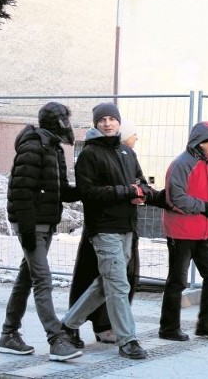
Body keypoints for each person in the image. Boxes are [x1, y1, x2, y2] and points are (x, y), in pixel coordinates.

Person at [61, 103, 154, 360]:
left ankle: (68, 325)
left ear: (119, 123)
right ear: (96, 124)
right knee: (118, 285)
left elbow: (141, 182)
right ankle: (128, 340)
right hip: (103, 228)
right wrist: (127, 192)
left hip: (126, 227)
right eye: (102, 120)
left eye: (112, 119)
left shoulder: (127, 152)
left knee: (106, 283)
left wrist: (143, 192)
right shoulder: (89, 154)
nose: (108, 123)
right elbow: (88, 193)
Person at [0, 102, 83, 361]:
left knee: (27, 278)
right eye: (64, 120)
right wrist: (25, 230)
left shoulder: (53, 148)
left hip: (46, 224)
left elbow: (62, 191)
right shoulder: (33, 147)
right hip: (32, 226)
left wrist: (90, 189)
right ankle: (56, 338)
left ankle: (8, 334)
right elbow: (20, 192)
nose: (67, 125)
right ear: (54, 122)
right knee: (42, 280)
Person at [158, 121, 208, 341]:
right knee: (177, 281)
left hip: (203, 231)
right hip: (181, 231)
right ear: (201, 143)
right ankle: (168, 328)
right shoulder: (181, 164)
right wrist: (203, 207)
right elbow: (175, 197)